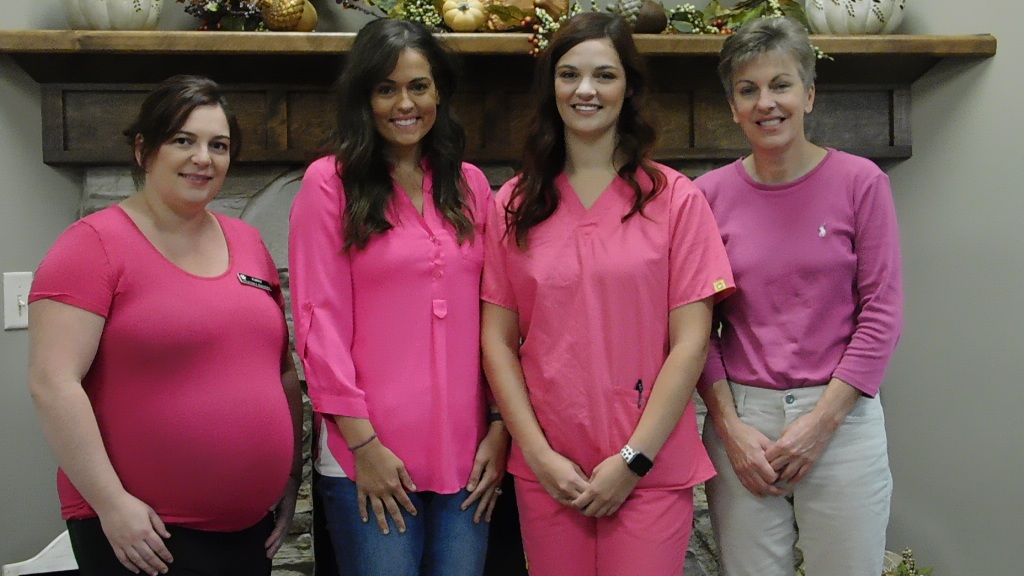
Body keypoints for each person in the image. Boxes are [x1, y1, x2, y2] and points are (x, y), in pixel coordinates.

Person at [480, 12, 735, 576]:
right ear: (552, 87)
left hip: (648, 470)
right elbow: (497, 341)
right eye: (569, 74)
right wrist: (538, 455)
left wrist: (632, 460)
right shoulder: (514, 204)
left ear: (629, 88)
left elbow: (691, 343)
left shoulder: (676, 200)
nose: (585, 90)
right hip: (551, 472)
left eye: (604, 75)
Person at [27, 75, 303, 576]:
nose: (203, 158)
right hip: (143, 533)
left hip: (249, 531)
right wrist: (113, 505)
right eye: (183, 140)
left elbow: (279, 369)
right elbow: (53, 383)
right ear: (143, 150)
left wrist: (288, 475)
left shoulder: (247, 242)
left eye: (218, 145)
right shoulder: (92, 245)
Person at [288, 19, 508, 576]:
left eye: (419, 86)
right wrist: (364, 447)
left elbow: (498, 316)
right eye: (386, 89)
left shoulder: (471, 185)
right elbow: (318, 324)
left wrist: (500, 426)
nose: (404, 104)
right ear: (364, 97)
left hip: (467, 457)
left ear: (440, 93)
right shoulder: (328, 183)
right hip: (369, 458)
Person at [695, 16, 903, 576]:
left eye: (781, 85)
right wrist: (729, 428)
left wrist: (822, 423)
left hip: (841, 420)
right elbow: (695, 329)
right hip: (743, 426)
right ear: (733, 107)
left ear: (808, 94)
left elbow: (882, 314)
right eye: (748, 90)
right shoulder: (704, 198)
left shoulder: (861, 183)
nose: (766, 103)